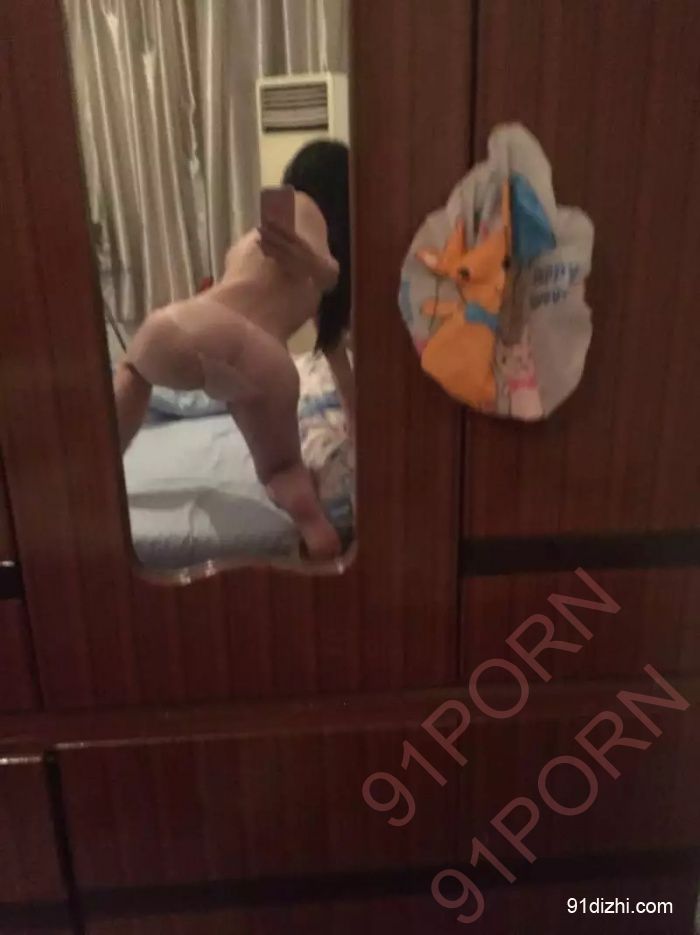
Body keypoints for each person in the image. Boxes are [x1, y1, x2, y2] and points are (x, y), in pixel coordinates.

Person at [112, 140, 352, 560]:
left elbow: (319, 267)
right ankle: (322, 548)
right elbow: (333, 337)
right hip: (267, 365)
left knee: (134, 371)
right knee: (282, 472)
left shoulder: (285, 217)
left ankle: (94, 478)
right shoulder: (316, 255)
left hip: (197, 328)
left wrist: (320, 267)